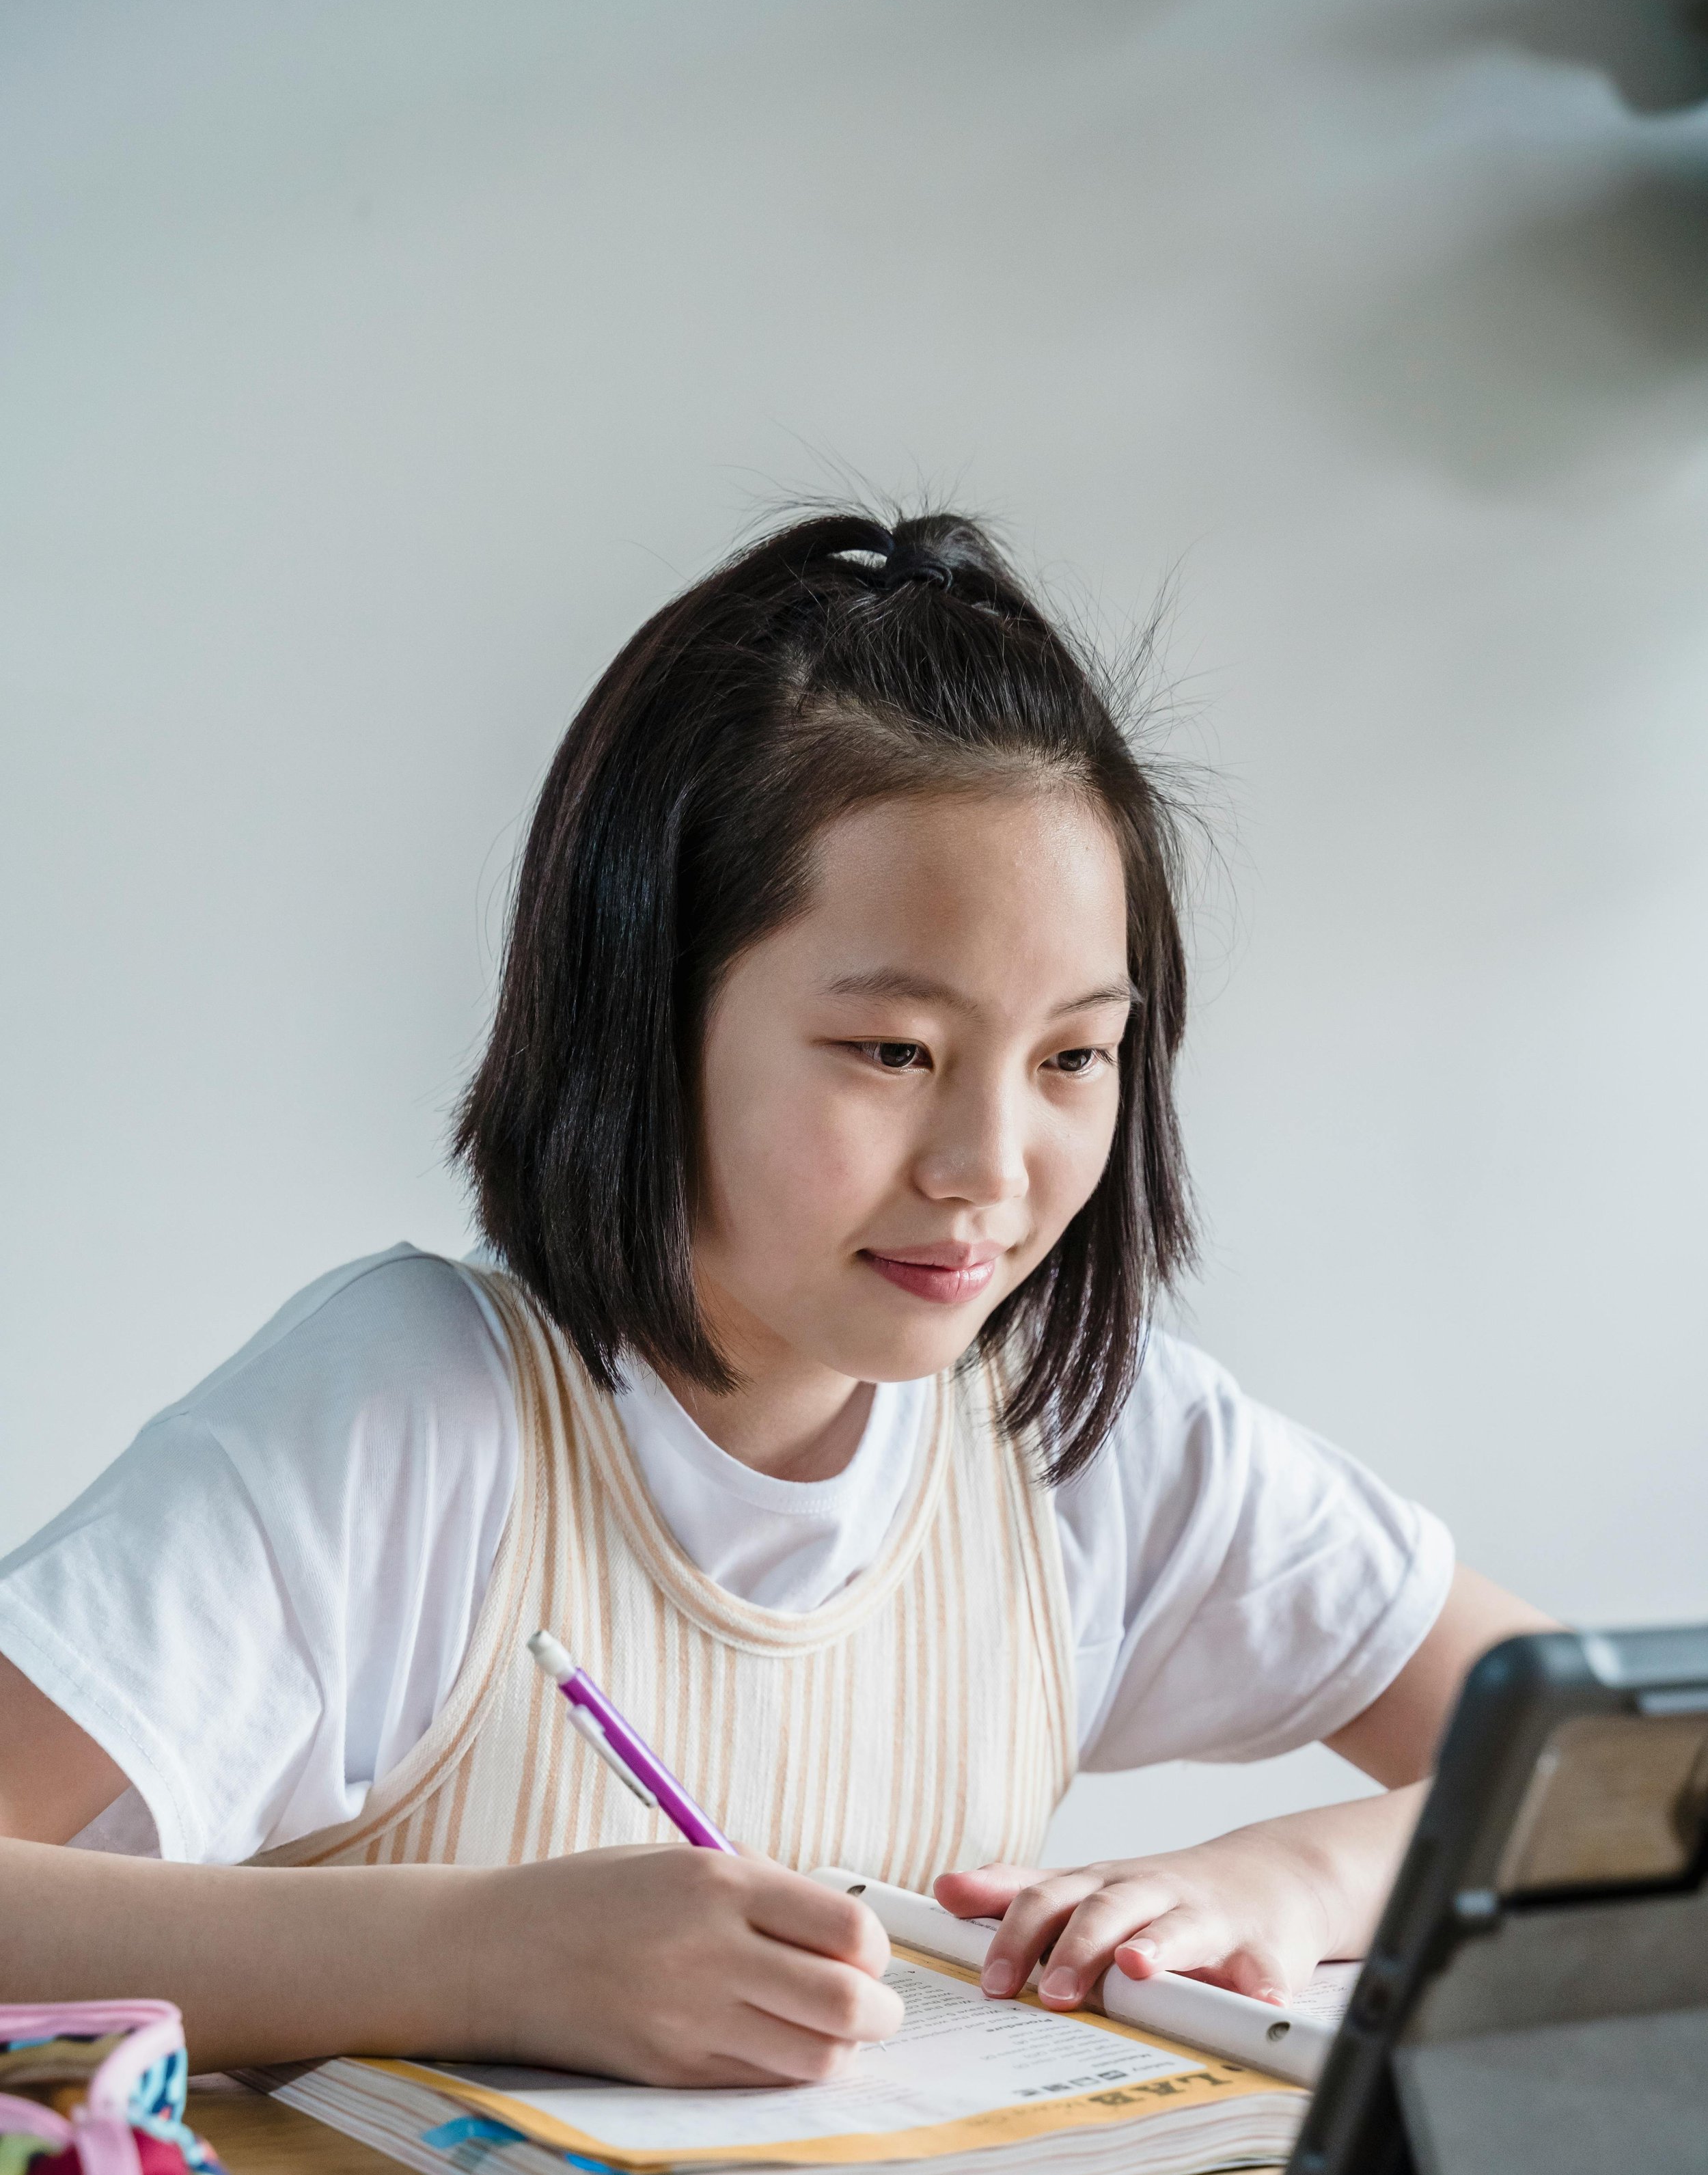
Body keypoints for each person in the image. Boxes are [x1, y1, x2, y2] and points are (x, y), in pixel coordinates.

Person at [0, 509, 1548, 2084]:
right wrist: (482, 1958)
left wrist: (1292, 1879)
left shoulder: (1075, 1431)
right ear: (643, 1019)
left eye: (1072, 1056)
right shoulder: (411, 1412)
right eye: (893, 1053)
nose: (985, 1168)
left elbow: (1632, 1766)